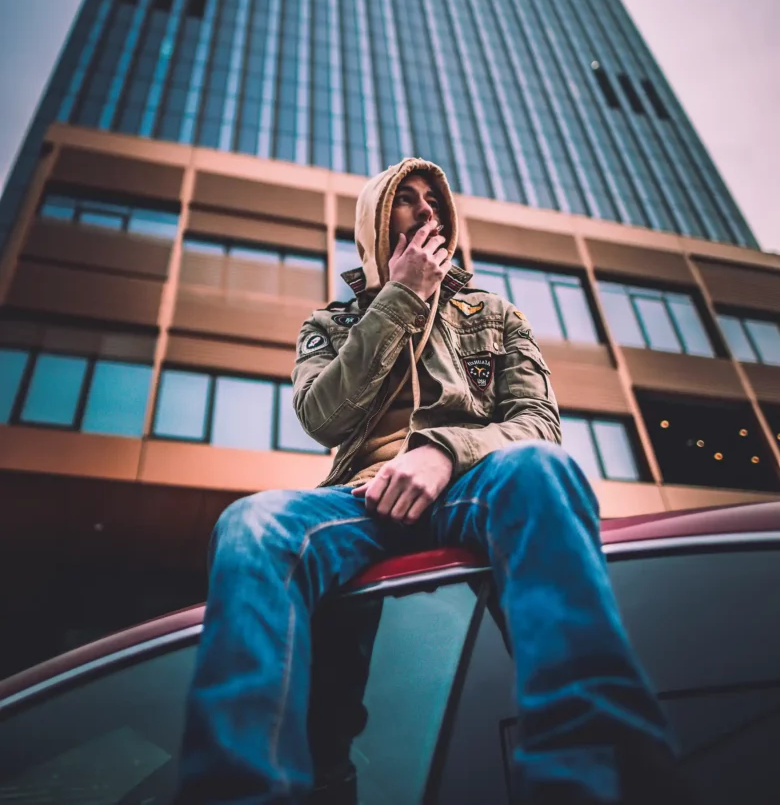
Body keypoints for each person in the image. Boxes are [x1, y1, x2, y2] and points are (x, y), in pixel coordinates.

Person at [176, 157, 692, 804]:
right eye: (408, 200)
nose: (429, 212)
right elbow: (321, 415)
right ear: (374, 221)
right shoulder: (329, 325)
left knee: (541, 471)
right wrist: (401, 297)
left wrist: (444, 452)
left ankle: (593, 777)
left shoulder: (494, 313)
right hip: (358, 498)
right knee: (251, 524)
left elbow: (538, 423)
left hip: (474, 482)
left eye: (436, 203)